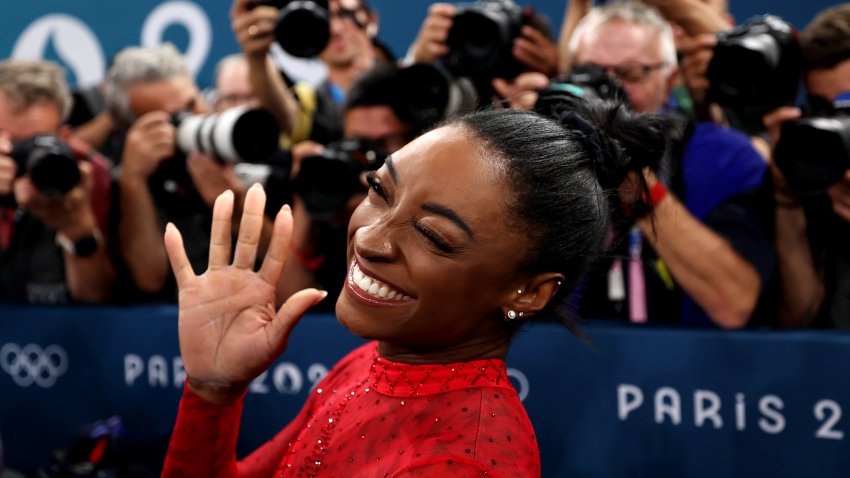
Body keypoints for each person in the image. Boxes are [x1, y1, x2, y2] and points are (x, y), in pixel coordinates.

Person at [160, 97, 671, 475]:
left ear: (529, 293)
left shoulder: (461, 462)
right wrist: (212, 393)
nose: (370, 237)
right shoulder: (370, 361)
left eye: (432, 235)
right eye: (380, 190)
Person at [566, 1, 775, 328]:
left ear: (670, 79)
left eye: (631, 74)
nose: (610, 91)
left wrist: (636, 184)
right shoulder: (546, 151)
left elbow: (733, 304)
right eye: (592, 73)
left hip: (687, 368)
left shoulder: (725, 156)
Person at [104, 44, 258, 300]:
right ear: (133, 130)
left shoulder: (241, 140)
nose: (190, 120)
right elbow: (149, 278)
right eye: (172, 119)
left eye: (191, 104)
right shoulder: (129, 176)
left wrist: (238, 210)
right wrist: (133, 179)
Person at [0, 59, 114, 304]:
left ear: (64, 137)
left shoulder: (85, 173)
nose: (13, 152)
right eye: (4, 138)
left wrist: (78, 230)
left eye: (34, 142)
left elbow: (95, 297)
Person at [766, 3, 850, 328]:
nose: (836, 125)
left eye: (847, 108)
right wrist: (786, 200)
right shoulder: (815, 173)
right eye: (820, 108)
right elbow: (799, 317)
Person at [231, 0, 379, 146]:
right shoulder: (310, 100)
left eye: (345, 14)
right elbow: (287, 118)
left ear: (371, 20)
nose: (334, 29)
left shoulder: (401, 80)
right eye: (323, 18)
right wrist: (256, 57)